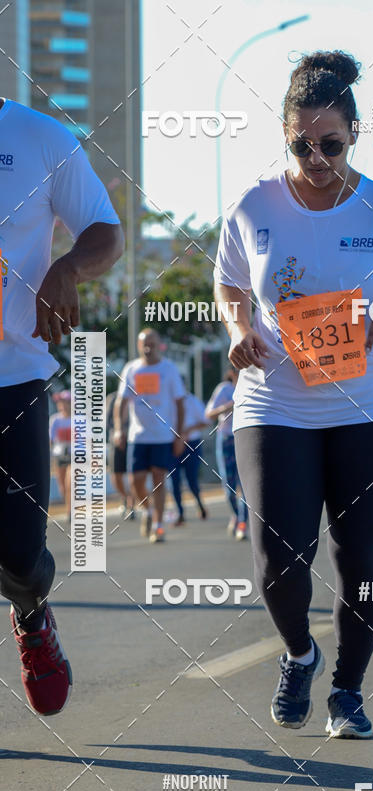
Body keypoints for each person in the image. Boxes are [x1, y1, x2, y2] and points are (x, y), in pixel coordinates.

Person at [213, 51, 373, 737]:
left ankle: (348, 691)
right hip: (274, 399)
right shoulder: (254, 206)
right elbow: (229, 282)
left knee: (359, 556)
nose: (316, 157)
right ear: (285, 137)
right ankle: (299, 655)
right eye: (301, 145)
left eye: (331, 144)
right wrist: (239, 328)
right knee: (277, 558)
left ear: (354, 134)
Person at [0, 97, 123, 715]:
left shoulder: (39, 137)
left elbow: (105, 231)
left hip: (13, 374)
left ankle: (30, 611)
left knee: (20, 554)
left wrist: (69, 268)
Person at [114, 329, 185, 543]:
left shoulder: (169, 369)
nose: (148, 348)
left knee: (158, 479)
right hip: (138, 436)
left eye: (152, 344)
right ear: (138, 346)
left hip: (162, 435)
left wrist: (179, 435)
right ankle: (148, 509)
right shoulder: (131, 369)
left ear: (159, 345)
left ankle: (158, 526)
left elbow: (179, 403)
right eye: (144, 344)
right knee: (135, 481)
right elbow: (121, 402)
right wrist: (119, 429)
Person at [205, 369, 248, 541]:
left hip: (245, 437)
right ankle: (236, 515)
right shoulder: (224, 389)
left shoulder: (253, 385)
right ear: (232, 372)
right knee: (229, 485)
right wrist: (229, 406)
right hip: (226, 439)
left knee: (245, 484)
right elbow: (209, 414)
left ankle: (243, 522)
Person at [170, 388, 209, 525]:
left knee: (191, 479)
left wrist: (187, 431)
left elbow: (206, 421)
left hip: (191, 445)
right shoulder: (167, 400)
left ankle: (199, 503)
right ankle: (180, 512)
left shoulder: (192, 401)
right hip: (172, 444)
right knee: (174, 480)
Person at [106, 389, 135, 519]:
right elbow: (107, 421)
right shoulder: (112, 398)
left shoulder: (138, 397)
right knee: (115, 474)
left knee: (133, 474)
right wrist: (118, 434)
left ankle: (131, 505)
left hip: (133, 440)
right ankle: (125, 497)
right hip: (116, 441)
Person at [49, 390, 73, 519]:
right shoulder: (55, 420)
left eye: (65, 402)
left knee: (70, 482)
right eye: (60, 402)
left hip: (74, 456)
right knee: (62, 486)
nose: (62, 405)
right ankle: (69, 506)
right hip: (59, 456)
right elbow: (51, 440)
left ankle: (71, 510)